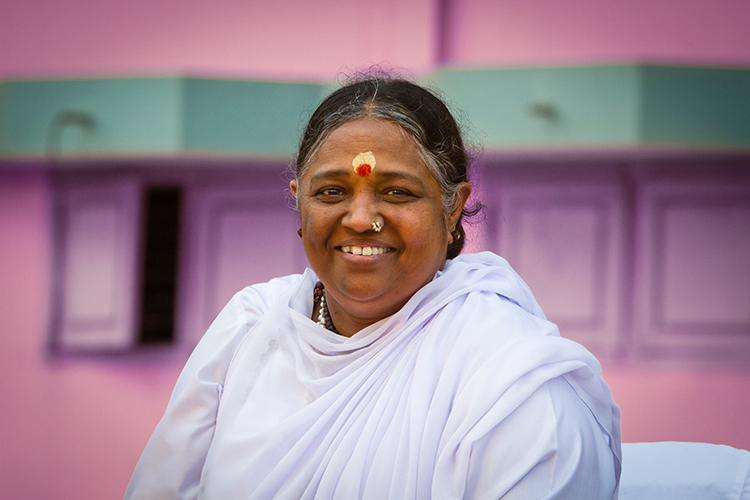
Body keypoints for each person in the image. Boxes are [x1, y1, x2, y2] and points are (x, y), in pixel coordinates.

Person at [125, 75, 621, 499]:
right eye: (332, 192)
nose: (360, 219)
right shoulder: (249, 328)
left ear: (452, 207)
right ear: (298, 200)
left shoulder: (509, 378)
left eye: (397, 192)